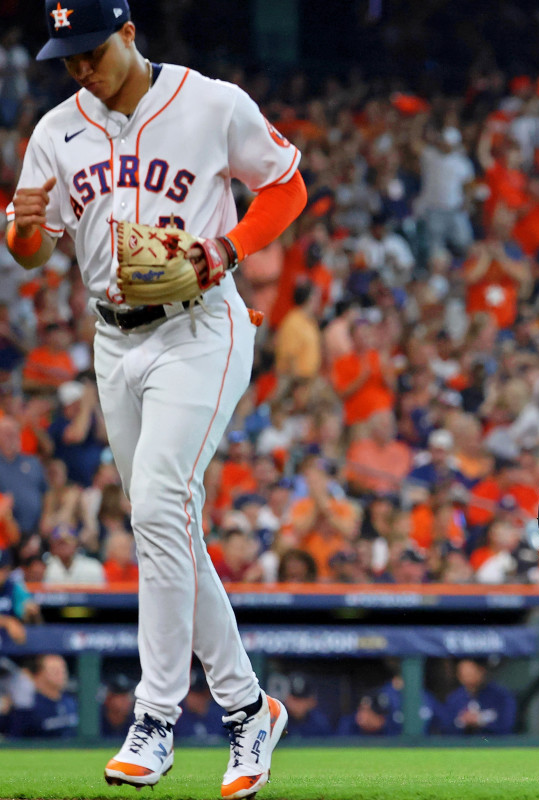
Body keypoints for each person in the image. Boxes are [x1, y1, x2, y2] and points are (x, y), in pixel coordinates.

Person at [7, 2, 303, 792]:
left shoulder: (211, 102)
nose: (80, 68)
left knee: (159, 502)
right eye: (67, 55)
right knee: (163, 522)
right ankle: (248, 709)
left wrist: (225, 251)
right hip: (115, 339)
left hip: (202, 326)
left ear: (130, 34)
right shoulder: (56, 130)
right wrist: (23, 232)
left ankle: (158, 716)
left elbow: (287, 187)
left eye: (92, 50)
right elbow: (34, 252)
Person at [440, 658, 517, 736]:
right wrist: (462, 722)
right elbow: (446, 728)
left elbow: (507, 725)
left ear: (482, 671)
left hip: (493, 744)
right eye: (463, 675)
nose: (467, 678)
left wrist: (479, 720)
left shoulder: (501, 696)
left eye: (470, 674)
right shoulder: (455, 699)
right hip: (463, 745)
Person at [7, 654, 78, 738]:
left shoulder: (71, 701)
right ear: (38, 675)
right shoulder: (29, 706)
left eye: (63, 670)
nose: (61, 675)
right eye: (55, 671)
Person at [281, 673, 332, 738]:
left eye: (302, 700)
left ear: (311, 701)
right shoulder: (278, 720)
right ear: (287, 698)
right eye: (295, 699)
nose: (297, 705)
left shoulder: (320, 724)